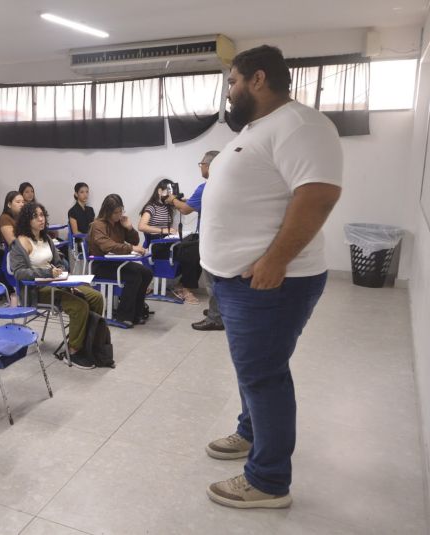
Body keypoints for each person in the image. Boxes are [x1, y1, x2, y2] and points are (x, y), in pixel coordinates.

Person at [200, 45, 342, 509]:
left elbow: (318, 195)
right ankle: (249, 433)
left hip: (271, 283)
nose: (229, 92)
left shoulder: (301, 124)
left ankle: (268, 481)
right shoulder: (263, 128)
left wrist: (276, 260)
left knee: (264, 376)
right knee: (253, 370)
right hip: (237, 282)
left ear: (257, 79)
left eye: (232, 82)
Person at [10, 202, 104, 369]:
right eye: (36, 216)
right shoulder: (21, 243)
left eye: (42, 215)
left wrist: (60, 269)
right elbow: (19, 273)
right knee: (79, 305)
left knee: (96, 297)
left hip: (58, 283)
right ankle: (73, 351)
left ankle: (89, 343)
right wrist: (47, 273)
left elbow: (60, 263)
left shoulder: (46, 238)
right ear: (26, 220)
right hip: (37, 290)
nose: (41, 219)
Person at [165, 150, 224, 330]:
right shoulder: (224, 184)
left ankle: (215, 318)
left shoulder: (205, 186)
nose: (201, 168)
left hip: (212, 241)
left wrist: (174, 199)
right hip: (224, 239)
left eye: (201, 164)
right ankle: (219, 312)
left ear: (209, 166)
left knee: (212, 281)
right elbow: (195, 203)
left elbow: (184, 210)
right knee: (220, 280)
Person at [87, 194, 153, 328]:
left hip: (117, 263)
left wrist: (129, 227)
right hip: (101, 266)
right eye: (115, 212)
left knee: (146, 273)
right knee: (134, 276)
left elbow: (135, 241)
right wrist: (131, 248)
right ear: (107, 211)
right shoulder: (97, 225)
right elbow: (108, 246)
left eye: (120, 211)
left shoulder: (119, 223)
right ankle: (123, 316)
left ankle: (137, 313)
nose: (119, 215)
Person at [138, 178, 199, 305]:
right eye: (167, 191)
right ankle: (184, 288)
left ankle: (184, 285)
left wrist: (183, 201)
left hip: (167, 244)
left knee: (196, 248)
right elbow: (142, 226)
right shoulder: (151, 207)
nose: (169, 195)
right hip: (156, 246)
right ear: (159, 191)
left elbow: (184, 208)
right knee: (191, 252)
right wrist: (164, 230)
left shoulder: (168, 207)